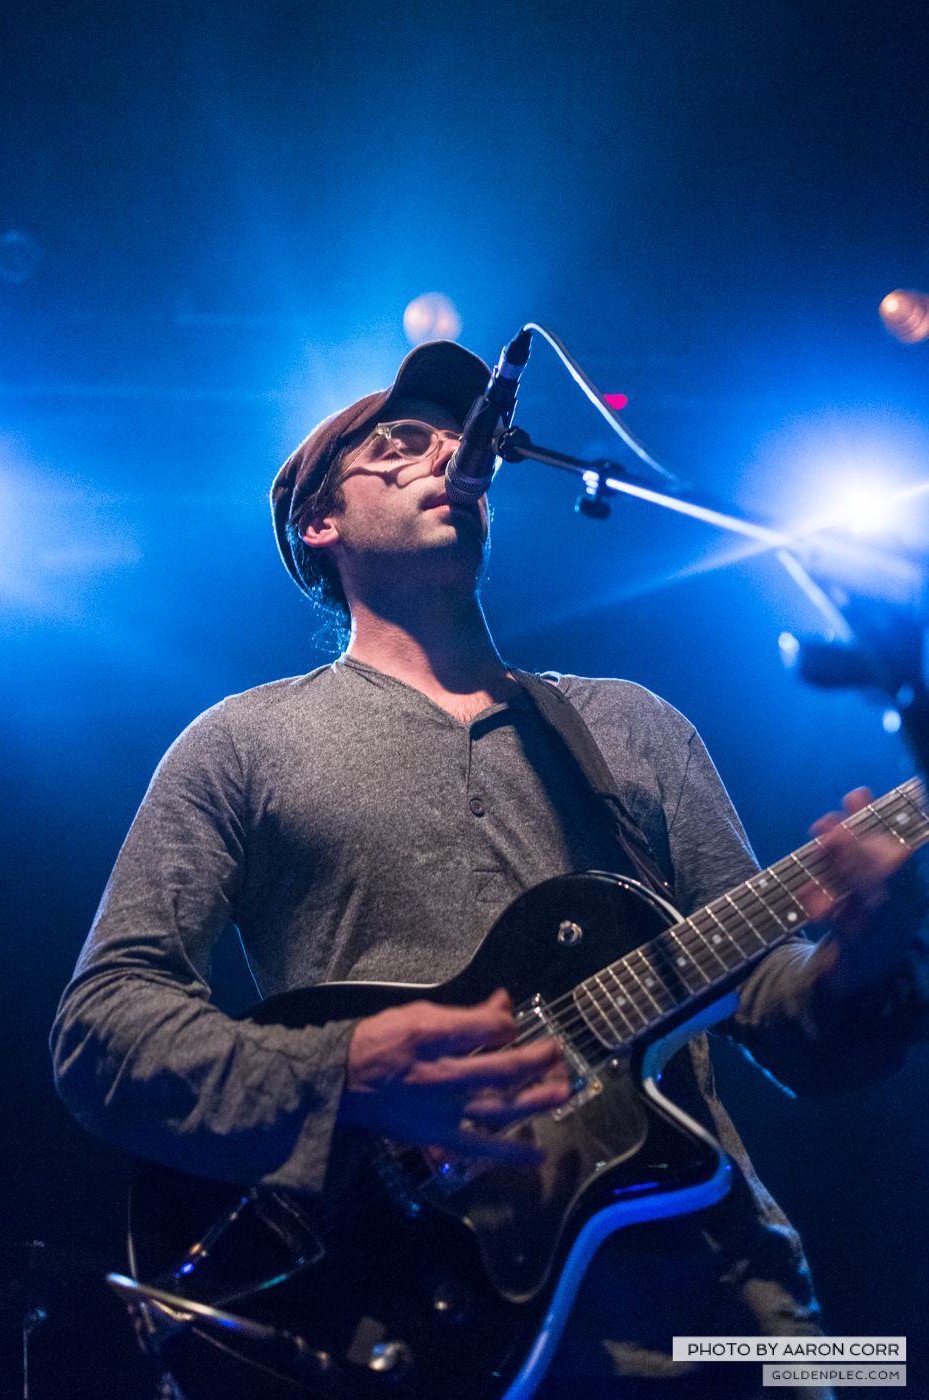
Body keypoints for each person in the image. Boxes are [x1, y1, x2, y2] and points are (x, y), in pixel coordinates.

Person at [51, 338, 928, 1399]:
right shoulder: (238, 742)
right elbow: (103, 1024)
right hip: (416, 1331)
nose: (448, 455)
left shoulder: (632, 725)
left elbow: (781, 1020)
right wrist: (342, 1071)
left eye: (460, 439)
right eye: (401, 442)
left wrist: (869, 955)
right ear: (318, 524)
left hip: (720, 1321)